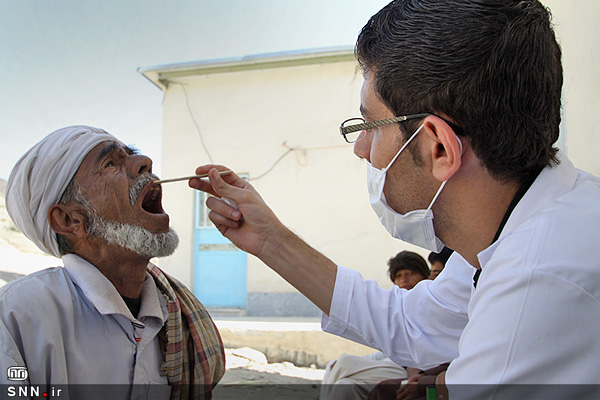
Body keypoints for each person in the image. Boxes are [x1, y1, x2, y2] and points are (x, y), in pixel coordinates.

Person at [189, 1, 600, 398]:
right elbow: (412, 324)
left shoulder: (539, 283)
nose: (361, 149)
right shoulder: (517, 227)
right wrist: (270, 240)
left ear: (439, 147)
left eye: (370, 125)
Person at [1, 126, 225, 399]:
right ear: (70, 221)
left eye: (132, 154)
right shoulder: (16, 317)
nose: (145, 163)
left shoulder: (175, 311)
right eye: (110, 163)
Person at [320, 251, 428, 400]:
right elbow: (384, 351)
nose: (404, 280)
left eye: (410, 273)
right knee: (344, 384)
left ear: (424, 276)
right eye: (399, 276)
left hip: (415, 370)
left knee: (344, 364)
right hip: (394, 365)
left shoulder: (426, 303)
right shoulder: (398, 305)